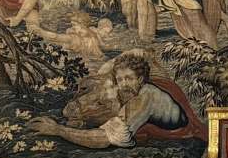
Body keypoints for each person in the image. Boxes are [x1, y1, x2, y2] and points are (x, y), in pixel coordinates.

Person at [30, 52, 205, 148]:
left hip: (183, 135)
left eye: (129, 78)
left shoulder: (145, 97)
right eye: (120, 80)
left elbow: (104, 139)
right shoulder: (131, 91)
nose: (124, 84)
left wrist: (58, 130)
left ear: (140, 79)